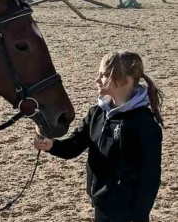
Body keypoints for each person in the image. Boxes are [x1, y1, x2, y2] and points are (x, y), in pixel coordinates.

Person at [34, 51, 163, 222]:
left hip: (128, 211)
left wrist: (138, 215)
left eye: (103, 75)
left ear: (125, 80)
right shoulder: (96, 113)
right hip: (101, 202)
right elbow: (74, 145)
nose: (97, 80)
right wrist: (51, 146)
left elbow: (150, 178)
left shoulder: (144, 124)